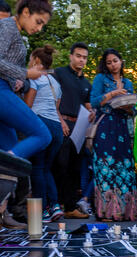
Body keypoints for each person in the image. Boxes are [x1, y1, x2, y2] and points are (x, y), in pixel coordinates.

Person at [0, 0, 53, 228]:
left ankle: (2, 214)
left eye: (43, 25)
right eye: (38, 21)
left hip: (7, 89)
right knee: (42, 134)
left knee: (11, 155)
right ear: (25, 12)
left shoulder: (17, 33)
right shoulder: (6, 27)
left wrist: (17, 81)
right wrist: (26, 73)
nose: (39, 28)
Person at [90, 48, 137, 222]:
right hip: (105, 126)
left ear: (121, 61)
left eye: (115, 61)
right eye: (109, 62)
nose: (112, 65)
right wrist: (112, 94)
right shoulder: (100, 79)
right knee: (105, 167)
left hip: (122, 127)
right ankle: (106, 212)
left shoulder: (128, 82)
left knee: (124, 168)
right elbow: (94, 101)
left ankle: (125, 211)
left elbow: (134, 111)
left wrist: (127, 106)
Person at [52, 42, 95, 220]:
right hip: (61, 123)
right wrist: (60, 120)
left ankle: (70, 207)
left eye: (84, 57)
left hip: (80, 128)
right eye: (78, 56)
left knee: (75, 169)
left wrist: (92, 112)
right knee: (59, 165)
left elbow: (88, 105)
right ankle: (58, 205)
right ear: (71, 56)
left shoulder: (86, 83)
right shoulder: (59, 73)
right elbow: (52, 98)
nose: (81, 60)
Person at [24, 45, 64, 223]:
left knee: (37, 168)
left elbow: (27, 107)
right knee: (47, 168)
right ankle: (54, 206)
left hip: (41, 124)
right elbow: (56, 109)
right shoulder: (55, 83)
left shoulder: (35, 79)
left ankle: (41, 212)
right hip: (56, 127)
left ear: (37, 62)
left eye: (31, 60)